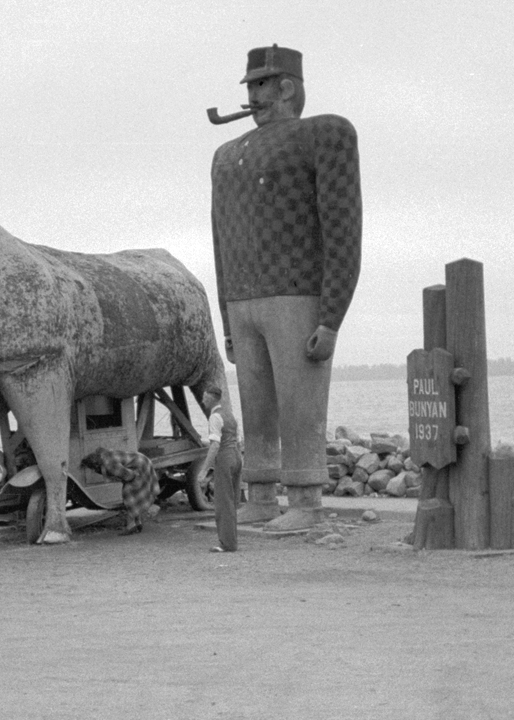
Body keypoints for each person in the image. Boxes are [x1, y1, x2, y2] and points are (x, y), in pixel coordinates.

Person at [210, 45, 362, 531]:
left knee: (299, 403)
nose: (253, 95)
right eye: (250, 85)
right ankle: (259, 494)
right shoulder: (225, 155)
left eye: (261, 84)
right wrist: (226, 319)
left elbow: (343, 228)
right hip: (243, 298)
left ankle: (305, 503)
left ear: (287, 87)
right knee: (255, 405)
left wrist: (331, 316)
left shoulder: (325, 134)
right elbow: (218, 239)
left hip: (298, 295)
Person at [80, 447, 157, 535]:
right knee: (132, 493)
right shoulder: (104, 456)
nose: (92, 470)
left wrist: (134, 478)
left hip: (141, 466)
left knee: (129, 495)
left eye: (92, 468)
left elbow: (128, 476)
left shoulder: (109, 464)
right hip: (142, 461)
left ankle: (131, 526)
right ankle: (138, 523)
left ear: (95, 464)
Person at [201, 386, 242, 552]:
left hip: (225, 457)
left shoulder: (215, 417)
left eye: (204, 397)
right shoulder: (230, 415)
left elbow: (215, 445)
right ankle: (231, 540)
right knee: (232, 500)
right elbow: (238, 440)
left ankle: (227, 543)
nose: (203, 400)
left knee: (223, 502)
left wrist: (204, 470)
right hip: (236, 456)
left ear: (211, 399)